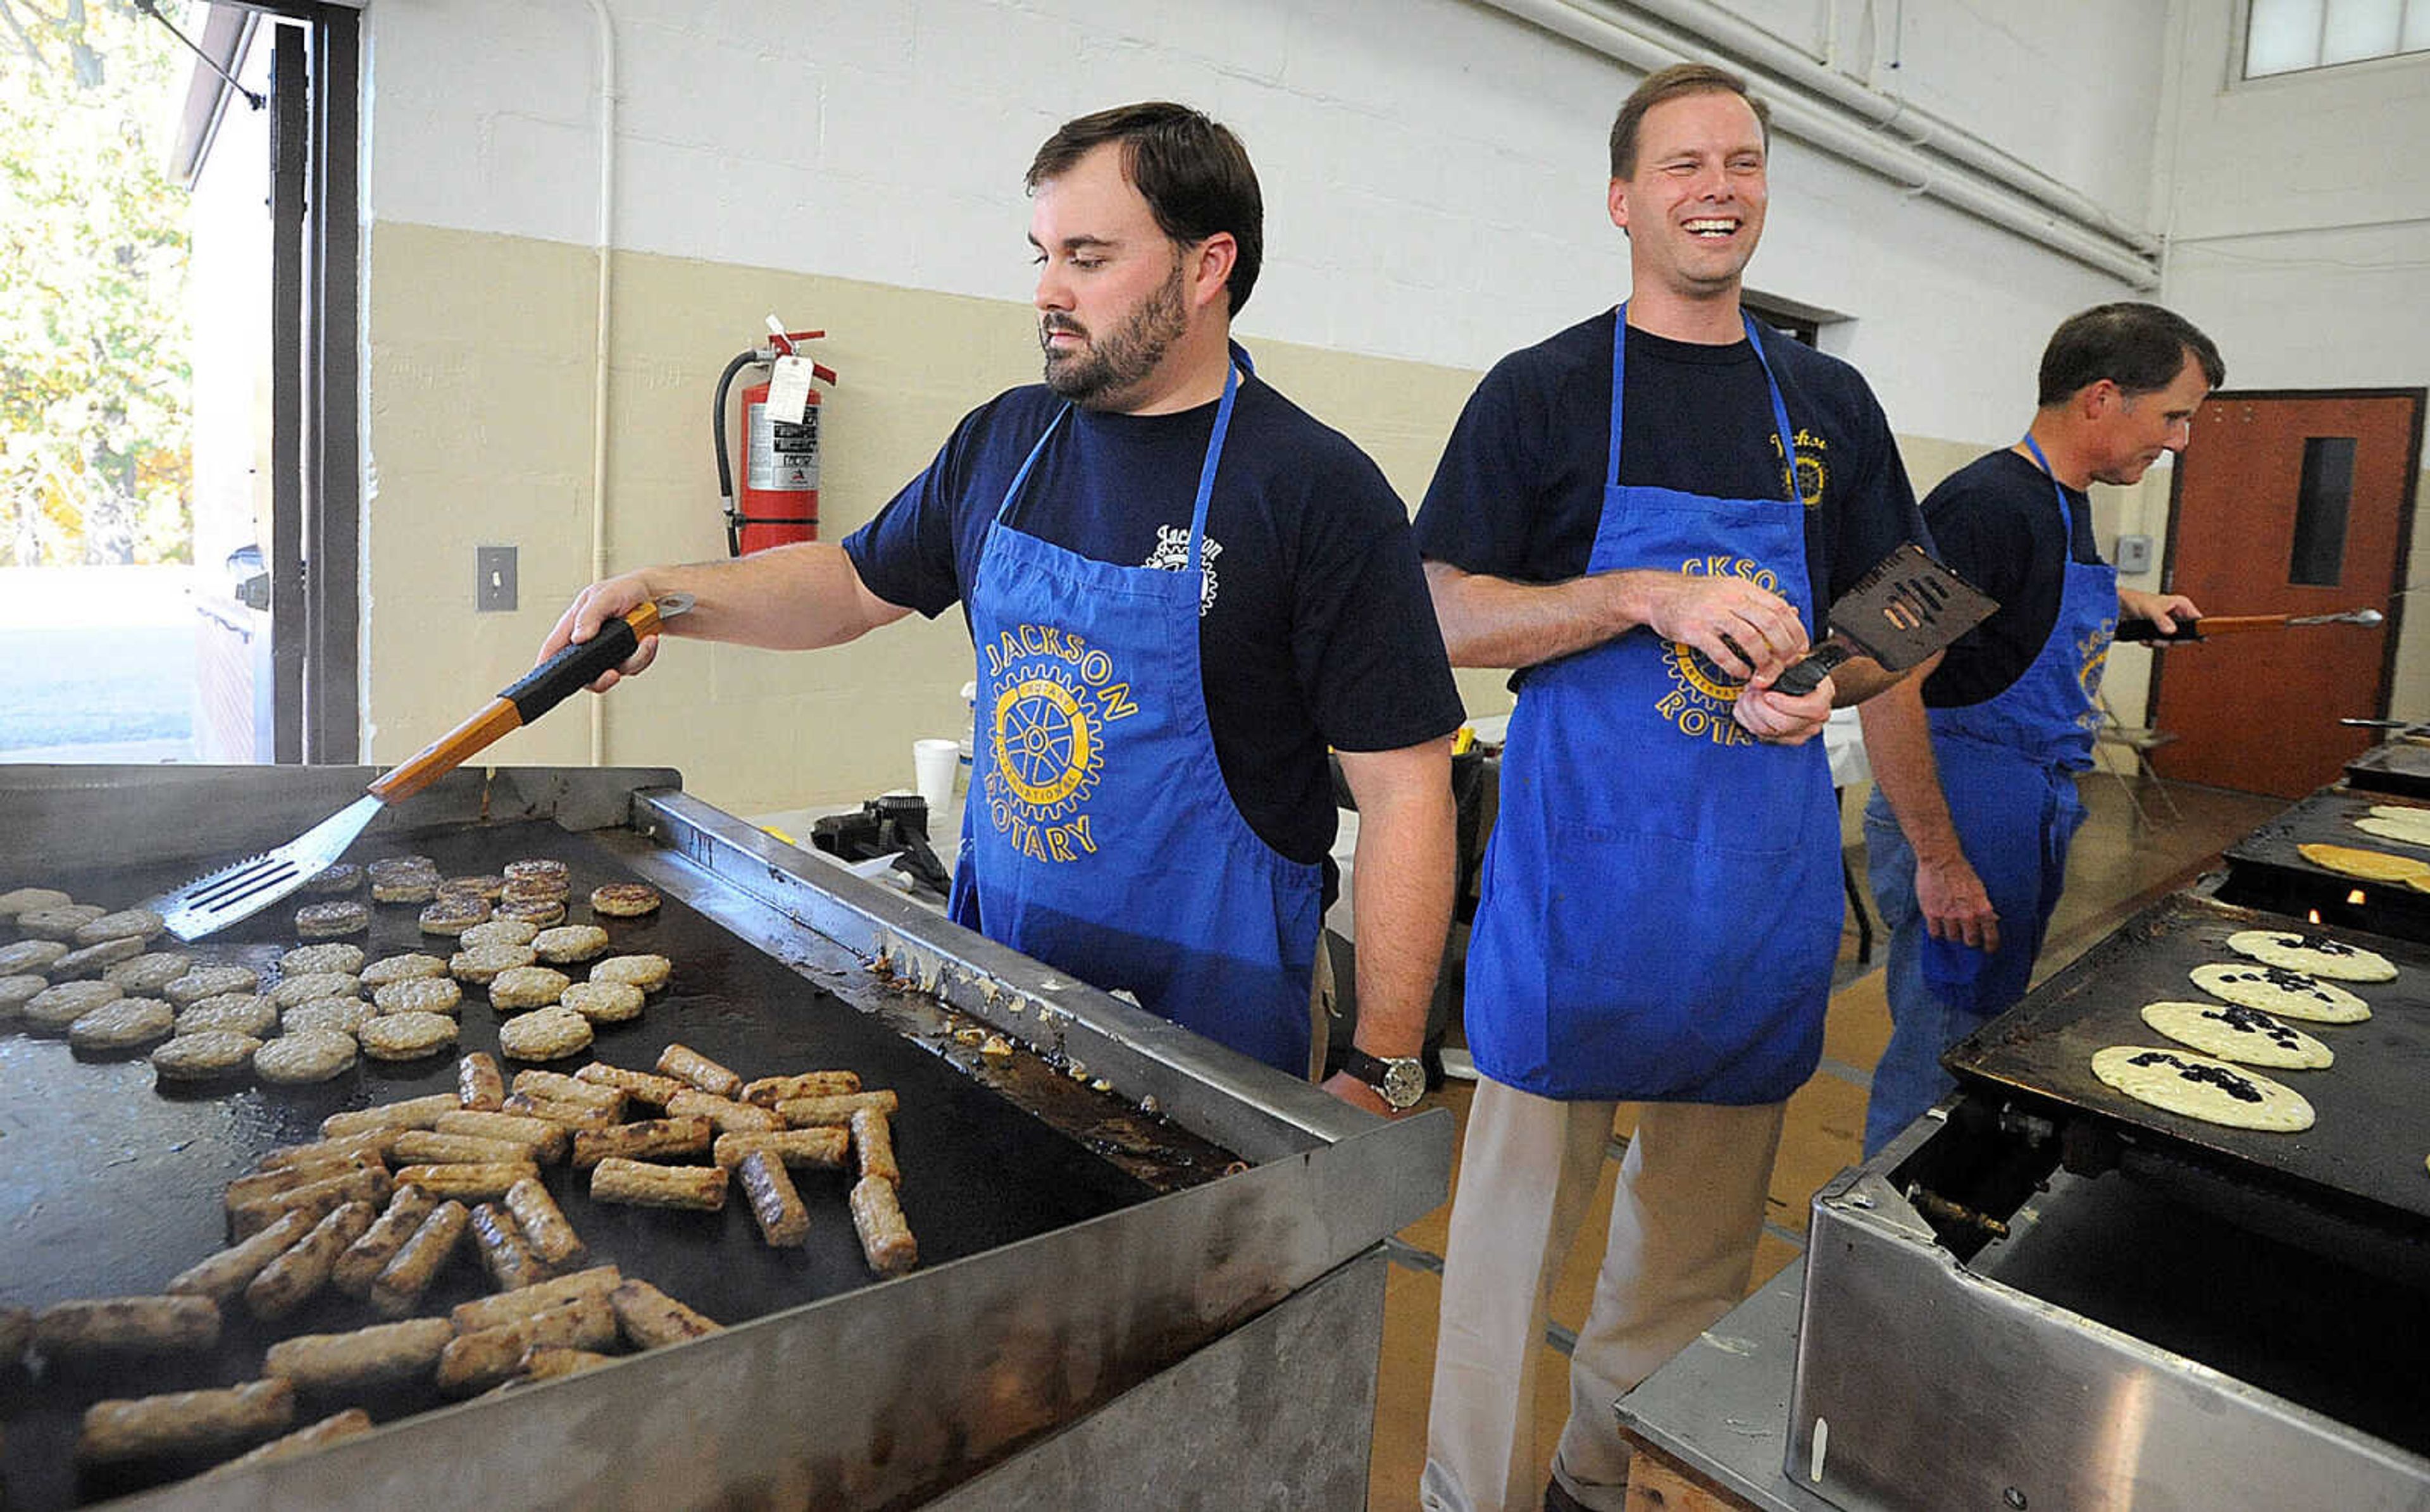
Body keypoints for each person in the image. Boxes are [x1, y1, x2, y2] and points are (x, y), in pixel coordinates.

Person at [539, 102, 1464, 1115]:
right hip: (1002, 988)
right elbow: (850, 584)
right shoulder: (1007, 444)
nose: (1047, 292)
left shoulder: (1316, 491)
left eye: (1088, 257)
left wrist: (1383, 1065)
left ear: (1208, 268)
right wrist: (665, 598)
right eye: (1041, 254)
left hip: (1221, 1036)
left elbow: (1406, 791)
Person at [1414, 63, 1929, 1512]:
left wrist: (1836, 680)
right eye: (1687, 163)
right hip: (1580, 890)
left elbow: (1916, 598)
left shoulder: (1825, 397)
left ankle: (1601, 1479)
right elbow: (1440, 611)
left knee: (1692, 1264)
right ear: (1624, 198)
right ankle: (1477, 1493)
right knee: (1511, 1255)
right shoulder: (1548, 392)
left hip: (1751, 899)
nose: (1721, 186)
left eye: (1746, 162)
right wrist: (1638, 593)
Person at [1858, 303, 2224, 1155]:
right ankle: (1882, 1234)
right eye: (2173, 416)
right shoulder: (1984, 504)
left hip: (2027, 800)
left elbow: (2024, 599)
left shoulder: (2063, 503)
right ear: (2103, 398)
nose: (2178, 442)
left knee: (1983, 1030)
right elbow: (1882, 674)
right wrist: (1942, 860)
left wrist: (2134, 606)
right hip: (1966, 800)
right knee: (1939, 1050)